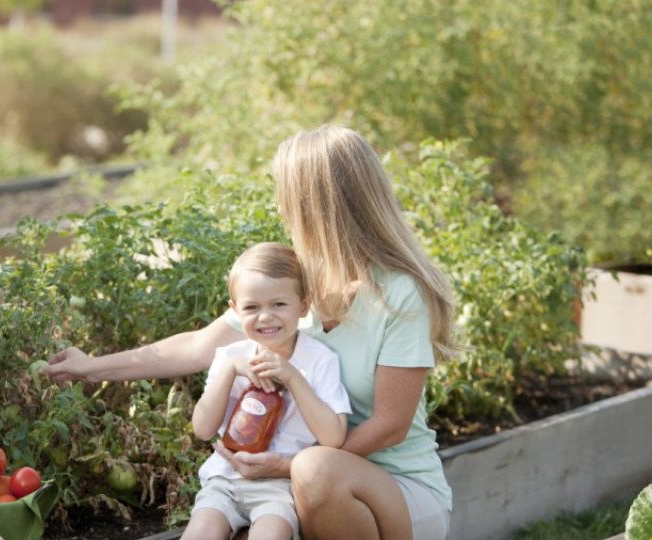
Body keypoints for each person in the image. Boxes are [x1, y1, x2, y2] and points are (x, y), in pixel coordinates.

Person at [43, 124, 457, 540]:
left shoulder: (399, 294)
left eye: (285, 193)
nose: (280, 207)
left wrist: (290, 464)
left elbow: (390, 425)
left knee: (315, 471)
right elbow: (195, 347)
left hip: (394, 492)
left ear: (315, 203)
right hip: (295, 486)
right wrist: (89, 367)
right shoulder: (290, 286)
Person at [184, 242, 351, 540]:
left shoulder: (319, 359)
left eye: (279, 304)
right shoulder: (229, 357)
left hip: (281, 485)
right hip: (225, 478)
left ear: (302, 306)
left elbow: (333, 437)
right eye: (252, 307)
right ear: (235, 310)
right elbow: (202, 428)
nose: (265, 317)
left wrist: (293, 378)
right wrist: (230, 370)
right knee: (200, 532)